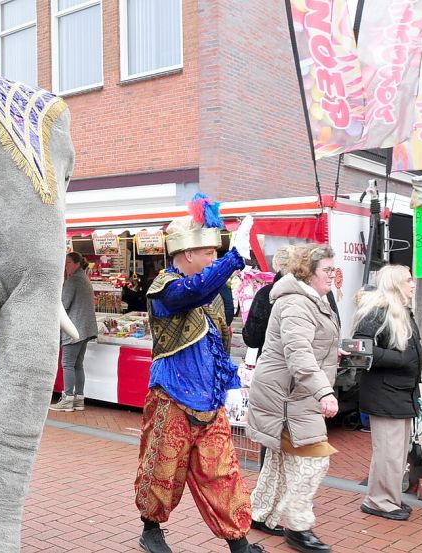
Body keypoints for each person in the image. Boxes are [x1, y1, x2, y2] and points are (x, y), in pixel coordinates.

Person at [134, 194, 261, 553]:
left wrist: (230, 386)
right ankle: (151, 530)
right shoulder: (164, 288)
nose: (213, 259)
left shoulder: (213, 292)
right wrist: (234, 259)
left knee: (223, 472)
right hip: (172, 395)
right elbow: (190, 292)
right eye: (209, 253)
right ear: (188, 253)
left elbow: (219, 344)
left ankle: (239, 543)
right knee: (162, 467)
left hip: (210, 399)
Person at [246, 244, 340, 552]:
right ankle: (299, 527)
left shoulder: (311, 298)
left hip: (292, 393)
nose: (333, 274)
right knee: (315, 461)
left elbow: (308, 346)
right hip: (288, 396)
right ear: (308, 272)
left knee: (280, 459)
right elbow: (298, 353)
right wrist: (324, 390)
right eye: (327, 269)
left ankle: (259, 513)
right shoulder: (297, 303)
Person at [353, 265, 422, 521]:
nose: (413, 284)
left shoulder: (399, 311)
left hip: (400, 392)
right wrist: (400, 359)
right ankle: (379, 501)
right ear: (395, 284)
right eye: (408, 280)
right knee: (388, 452)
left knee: (396, 453)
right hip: (386, 393)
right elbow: (359, 348)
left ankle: (389, 498)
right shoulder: (377, 312)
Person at [49, 252, 98, 412]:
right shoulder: (84, 278)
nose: (66, 266)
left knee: (68, 364)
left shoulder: (73, 281)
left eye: (68, 262)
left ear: (77, 263)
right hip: (85, 328)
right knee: (78, 365)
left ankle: (68, 398)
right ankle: (79, 398)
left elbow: (63, 305)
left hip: (74, 328)